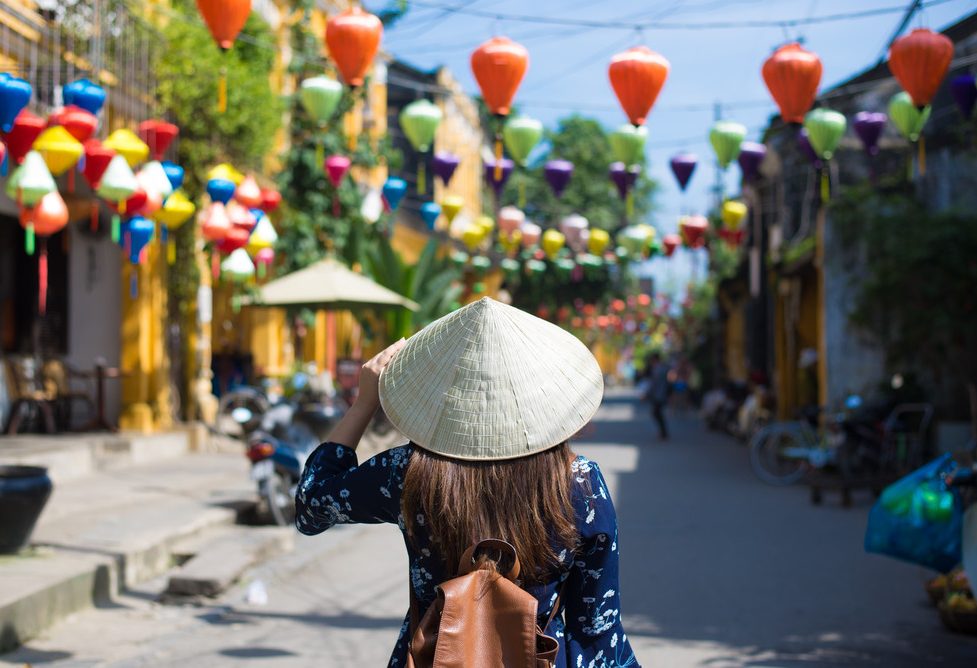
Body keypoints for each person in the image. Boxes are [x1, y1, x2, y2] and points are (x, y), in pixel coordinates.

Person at [295, 298, 640, 668]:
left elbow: (311, 507)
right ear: (541, 396)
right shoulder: (581, 484)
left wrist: (364, 403)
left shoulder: (405, 471)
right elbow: (598, 631)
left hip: (433, 655)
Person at [644, 352, 670, 441]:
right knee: (657, 413)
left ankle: (663, 433)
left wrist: (647, 394)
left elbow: (654, 384)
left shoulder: (658, 369)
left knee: (656, 413)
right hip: (661, 394)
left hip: (658, 395)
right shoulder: (663, 368)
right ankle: (663, 432)